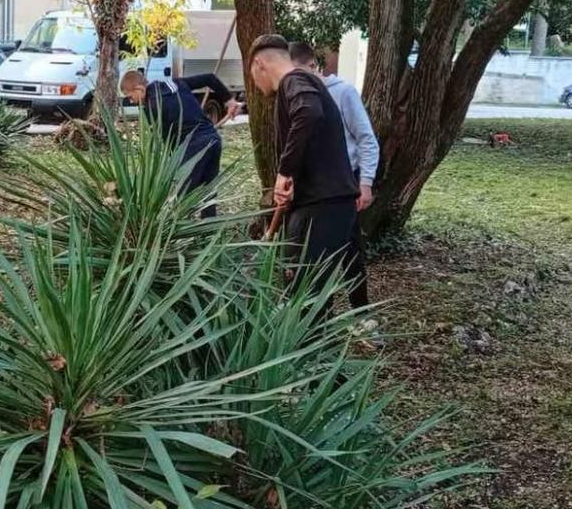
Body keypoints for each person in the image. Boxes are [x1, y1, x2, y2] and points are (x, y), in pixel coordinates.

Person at [247, 33, 368, 312]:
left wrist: (284, 171)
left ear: (259, 64)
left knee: (304, 291)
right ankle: (318, 344)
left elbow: (308, 113)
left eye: (252, 75)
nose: (254, 83)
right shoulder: (307, 81)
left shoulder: (294, 81)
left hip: (321, 205)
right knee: (313, 290)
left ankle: (308, 350)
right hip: (333, 201)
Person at [120, 70, 239, 217]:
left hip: (194, 147)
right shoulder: (175, 84)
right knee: (208, 194)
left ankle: (182, 236)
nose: (131, 101)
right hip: (213, 140)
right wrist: (229, 100)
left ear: (139, 89)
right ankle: (209, 233)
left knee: (183, 199)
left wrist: (171, 168)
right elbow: (210, 78)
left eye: (130, 97)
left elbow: (167, 140)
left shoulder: (151, 107)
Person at [287, 41, 379, 212]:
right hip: (312, 186)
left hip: (345, 182)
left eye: (296, 73)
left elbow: (366, 139)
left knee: (345, 236)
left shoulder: (344, 92)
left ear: (312, 65)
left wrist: (365, 183)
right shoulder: (293, 95)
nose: (293, 81)